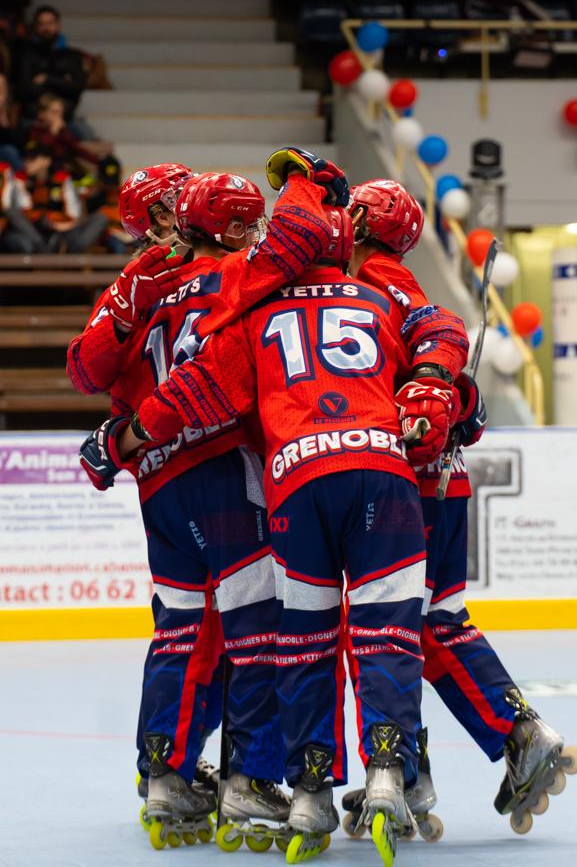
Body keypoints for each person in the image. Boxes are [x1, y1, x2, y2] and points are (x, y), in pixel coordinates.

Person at [106, 171, 463, 867]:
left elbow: (196, 390)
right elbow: (440, 334)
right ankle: (391, 775)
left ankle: (306, 792)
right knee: (386, 633)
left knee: (298, 642)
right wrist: (440, 391)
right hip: (379, 468)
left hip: (293, 482)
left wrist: (121, 442)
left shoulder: (251, 308)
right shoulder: (379, 296)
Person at [73, 152, 339, 843]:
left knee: (179, 632)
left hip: (157, 480)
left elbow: (82, 367)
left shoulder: (138, 287)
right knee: (257, 628)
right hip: (220, 462)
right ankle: (248, 780)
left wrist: (127, 308)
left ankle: (164, 778)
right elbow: (290, 247)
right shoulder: (230, 276)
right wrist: (308, 185)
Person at [343, 179, 577, 837]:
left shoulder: (354, 295)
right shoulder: (416, 297)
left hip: (400, 488)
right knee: (429, 621)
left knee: (384, 628)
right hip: (444, 484)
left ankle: (490, 742)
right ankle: (431, 765)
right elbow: (464, 410)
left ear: (357, 224)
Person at [14, 5, 87, 122]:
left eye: (50, 23)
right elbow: (23, 90)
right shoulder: (26, 55)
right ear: (35, 27)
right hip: (34, 119)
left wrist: (47, 79)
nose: (46, 28)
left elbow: (77, 88)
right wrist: (63, 82)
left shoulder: (72, 56)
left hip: (65, 119)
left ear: (58, 25)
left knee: (90, 139)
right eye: (41, 24)